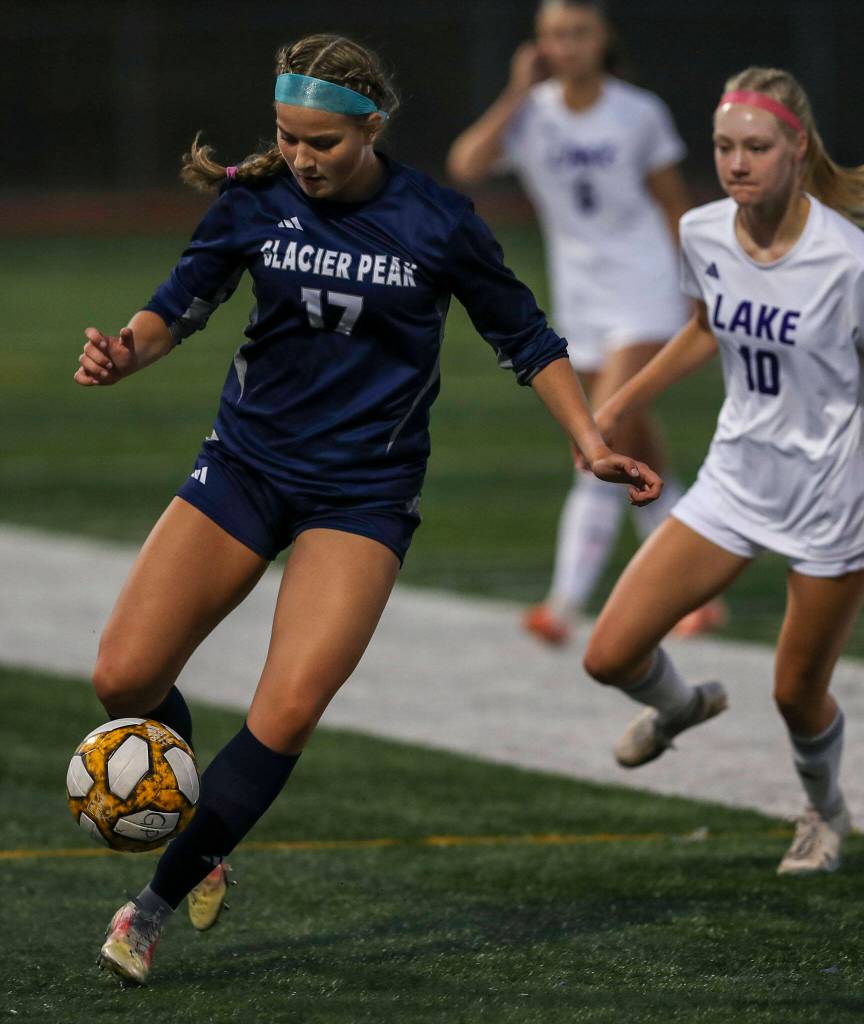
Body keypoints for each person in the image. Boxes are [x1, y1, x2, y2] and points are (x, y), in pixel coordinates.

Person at [75, 32, 661, 985]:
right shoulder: (255, 199)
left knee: (289, 707)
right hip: (246, 468)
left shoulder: (438, 220)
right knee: (121, 678)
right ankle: (201, 816)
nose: (301, 158)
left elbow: (528, 337)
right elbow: (178, 305)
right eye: (287, 137)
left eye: (323, 143)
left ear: (371, 128)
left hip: (363, 494)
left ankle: (150, 909)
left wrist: (589, 440)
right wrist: (124, 353)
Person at [583, 66, 864, 874]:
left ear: (797, 149)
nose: (737, 163)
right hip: (736, 481)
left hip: (831, 500)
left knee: (795, 695)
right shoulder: (702, 231)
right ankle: (681, 707)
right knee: (609, 655)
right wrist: (616, 407)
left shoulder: (850, 261)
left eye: (756, 148)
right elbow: (705, 328)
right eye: (725, 147)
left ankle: (826, 812)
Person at [447, 0, 723, 645]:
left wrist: (699, 283)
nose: (564, 45)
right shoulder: (531, 114)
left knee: (598, 432)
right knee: (639, 448)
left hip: (646, 287)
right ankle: (698, 594)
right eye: (552, 35)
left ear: (602, 39)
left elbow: (674, 203)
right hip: (581, 300)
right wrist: (517, 88)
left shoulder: (637, 112)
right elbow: (466, 164)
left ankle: (563, 604)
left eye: (576, 32)